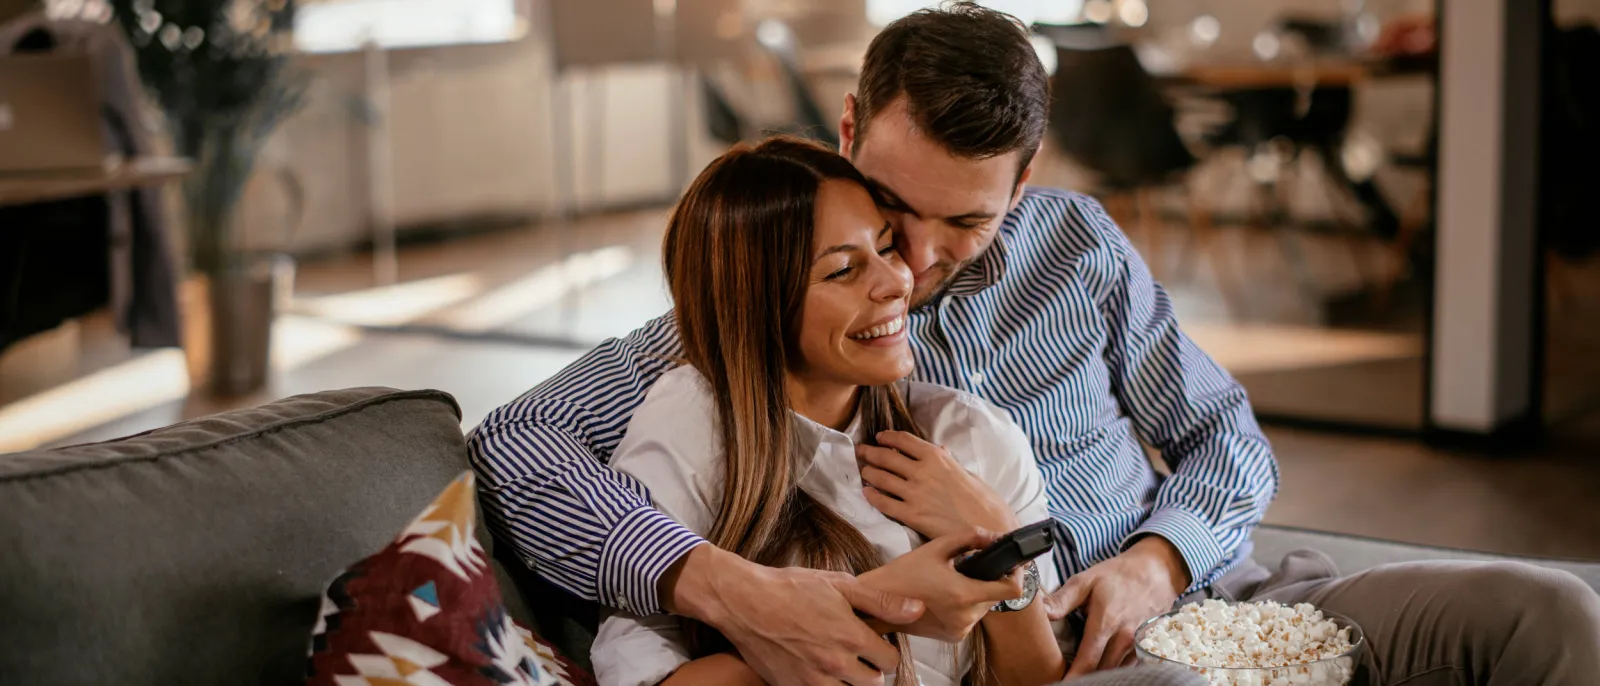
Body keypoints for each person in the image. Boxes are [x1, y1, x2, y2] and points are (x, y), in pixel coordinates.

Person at [472, 5, 1600, 685]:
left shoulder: (1080, 247)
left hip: (1222, 593)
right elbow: (518, 441)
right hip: (1068, 667)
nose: (907, 261)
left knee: (1551, 611)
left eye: (964, 222)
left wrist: (1154, 563)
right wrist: (728, 588)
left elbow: (1222, 434)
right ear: (852, 128)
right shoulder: (772, 299)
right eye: (888, 209)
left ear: (1030, 174)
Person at [590, 136, 1072, 686]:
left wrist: (1002, 545)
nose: (897, 283)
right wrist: (880, 607)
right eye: (843, 270)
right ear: (757, 303)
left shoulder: (972, 433)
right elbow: (644, 674)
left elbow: (1040, 679)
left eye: (887, 248)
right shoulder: (691, 427)